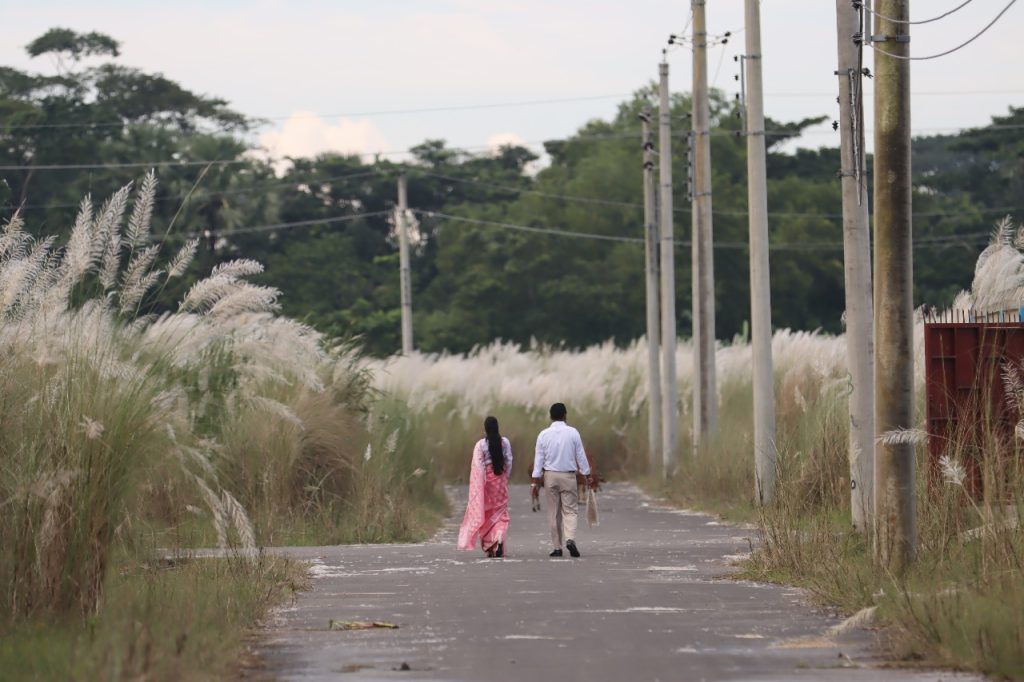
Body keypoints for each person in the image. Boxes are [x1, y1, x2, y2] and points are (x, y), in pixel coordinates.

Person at [531, 403, 594, 558]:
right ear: (565, 415)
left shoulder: (543, 434)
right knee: (570, 510)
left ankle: (557, 547)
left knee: (553, 513)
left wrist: (535, 482)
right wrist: (587, 475)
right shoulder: (573, 433)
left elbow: (538, 460)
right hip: (568, 476)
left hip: (550, 476)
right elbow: (581, 455)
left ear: (551, 416)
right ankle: (570, 539)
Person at [457, 416, 512, 557]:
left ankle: (490, 545)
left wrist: (480, 485)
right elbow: (508, 461)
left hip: (487, 482)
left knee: (487, 514)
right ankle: (499, 536)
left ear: (485, 429)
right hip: (500, 480)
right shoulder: (505, 442)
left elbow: (478, 466)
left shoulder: (481, 445)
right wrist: (505, 477)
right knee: (501, 513)